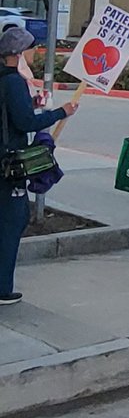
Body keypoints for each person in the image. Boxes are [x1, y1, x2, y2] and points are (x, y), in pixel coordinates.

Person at [0, 28, 76, 305]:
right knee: (13, 222)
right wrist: (60, 113)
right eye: (31, 50)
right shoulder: (13, 82)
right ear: (18, 54)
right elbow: (26, 123)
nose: (35, 54)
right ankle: (2, 288)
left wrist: (31, 103)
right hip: (8, 166)